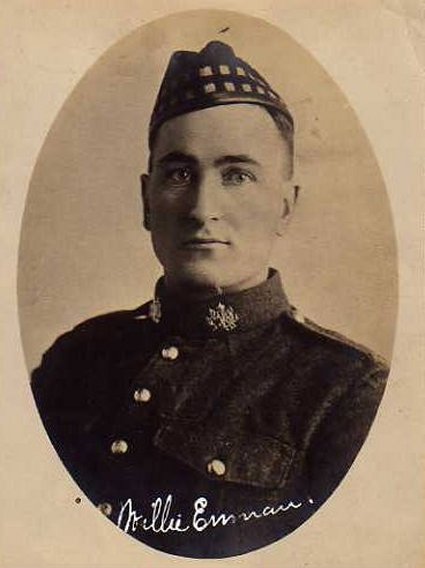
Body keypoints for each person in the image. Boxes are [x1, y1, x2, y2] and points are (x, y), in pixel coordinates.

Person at [31, 41, 389, 558]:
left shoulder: (346, 391)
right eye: (179, 174)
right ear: (146, 200)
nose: (202, 208)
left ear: (286, 206)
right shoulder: (76, 359)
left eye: (237, 175)